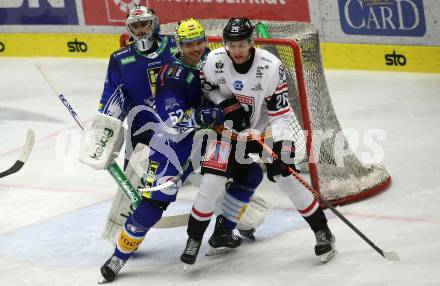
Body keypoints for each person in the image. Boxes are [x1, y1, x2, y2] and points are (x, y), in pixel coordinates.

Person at [94, 18, 263, 283]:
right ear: (180, 45)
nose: (196, 48)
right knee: (156, 200)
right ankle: (119, 256)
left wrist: (229, 107)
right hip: (175, 144)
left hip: (210, 138)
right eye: (189, 44)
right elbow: (174, 124)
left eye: (199, 42)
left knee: (250, 173)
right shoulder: (171, 74)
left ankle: (223, 231)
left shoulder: (213, 61)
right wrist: (203, 115)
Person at [180, 17, 337, 265]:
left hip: (264, 132)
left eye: (242, 44)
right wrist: (225, 103)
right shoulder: (214, 61)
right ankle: (196, 239)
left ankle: (322, 232)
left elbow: (281, 113)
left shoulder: (271, 66)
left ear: (252, 42)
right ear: (225, 44)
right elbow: (208, 88)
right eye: (232, 45)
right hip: (228, 133)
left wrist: (284, 148)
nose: (237, 51)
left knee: (288, 180)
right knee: (210, 183)